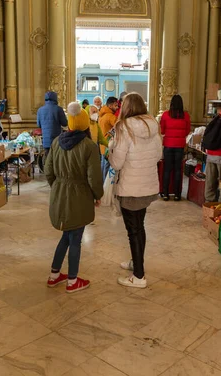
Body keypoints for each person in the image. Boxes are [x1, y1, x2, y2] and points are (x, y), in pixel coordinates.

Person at [45, 102, 103, 293]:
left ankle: (54, 275)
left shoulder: (56, 142)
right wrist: (97, 195)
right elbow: (94, 177)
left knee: (66, 235)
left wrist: (58, 187)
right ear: (86, 124)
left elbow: (48, 171)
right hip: (79, 196)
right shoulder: (89, 146)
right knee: (75, 238)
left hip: (60, 194)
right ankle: (72, 280)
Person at [108, 93, 162, 289]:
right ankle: (135, 262)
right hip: (147, 185)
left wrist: (110, 150)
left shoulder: (123, 127)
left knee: (133, 230)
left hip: (130, 187)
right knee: (140, 226)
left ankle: (138, 276)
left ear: (126, 107)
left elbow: (117, 162)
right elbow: (158, 155)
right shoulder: (153, 125)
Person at [160, 94, 191, 201]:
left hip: (168, 144)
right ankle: (177, 194)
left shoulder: (165, 115)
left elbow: (162, 130)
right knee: (178, 170)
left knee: (167, 170)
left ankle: (165, 193)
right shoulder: (186, 115)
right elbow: (187, 131)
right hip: (180, 145)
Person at [37, 91, 68, 158]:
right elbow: (65, 123)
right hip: (57, 140)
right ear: (55, 98)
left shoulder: (40, 110)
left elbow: (38, 125)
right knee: (57, 159)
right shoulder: (59, 109)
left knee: (48, 159)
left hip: (46, 140)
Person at [99, 96, 118, 180]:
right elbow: (119, 127)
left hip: (102, 144)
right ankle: (105, 187)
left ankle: (102, 185)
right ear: (110, 106)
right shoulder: (110, 116)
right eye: (115, 105)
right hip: (108, 144)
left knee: (103, 165)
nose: (117, 107)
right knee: (107, 167)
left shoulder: (102, 115)